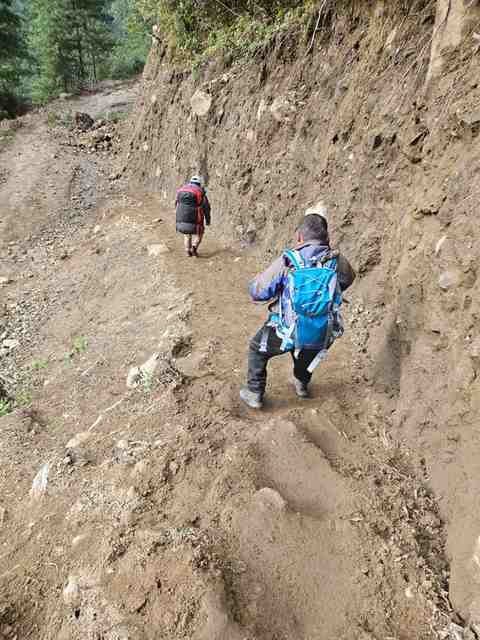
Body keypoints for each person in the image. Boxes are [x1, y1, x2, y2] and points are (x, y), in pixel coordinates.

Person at [240, 212, 356, 409]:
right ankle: (301, 384)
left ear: (300, 237)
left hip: (288, 329)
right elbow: (348, 279)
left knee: (256, 348)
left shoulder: (289, 261)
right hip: (323, 329)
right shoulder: (337, 260)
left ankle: (254, 392)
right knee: (308, 351)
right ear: (326, 237)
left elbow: (259, 290)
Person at [175, 175, 211, 257]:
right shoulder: (201, 193)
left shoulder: (182, 191)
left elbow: (176, 204)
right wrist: (208, 220)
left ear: (190, 182)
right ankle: (194, 247)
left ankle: (188, 250)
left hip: (181, 218)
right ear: (199, 184)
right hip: (196, 219)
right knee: (200, 234)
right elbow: (207, 208)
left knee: (187, 234)